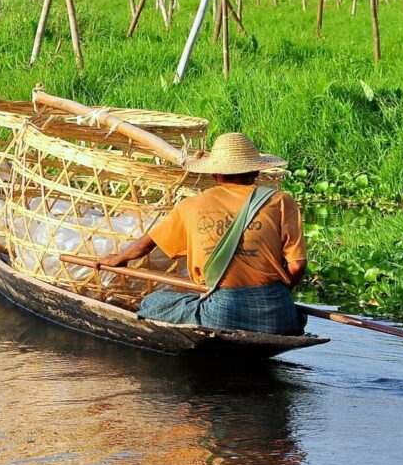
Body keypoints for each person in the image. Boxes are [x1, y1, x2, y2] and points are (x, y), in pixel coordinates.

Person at [95, 132, 308, 335]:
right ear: (256, 172)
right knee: (294, 313)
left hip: (223, 313)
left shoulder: (191, 206)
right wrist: (277, 295)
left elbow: (147, 244)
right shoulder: (280, 201)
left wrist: (119, 259)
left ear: (215, 174)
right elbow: (297, 265)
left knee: (152, 302)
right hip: (281, 315)